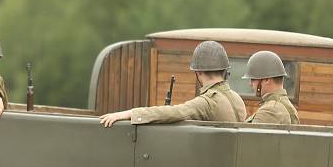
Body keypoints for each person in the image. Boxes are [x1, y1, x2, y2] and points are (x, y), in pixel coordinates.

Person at [99, 40, 246, 127]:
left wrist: (129, 113)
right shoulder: (237, 99)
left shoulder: (208, 102)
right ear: (224, 71)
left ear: (198, 73)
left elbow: (175, 112)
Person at [243, 50, 299, 124]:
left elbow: (248, 135)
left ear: (267, 79)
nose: (250, 84)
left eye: (253, 79)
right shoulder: (284, 104)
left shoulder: (271, 110)